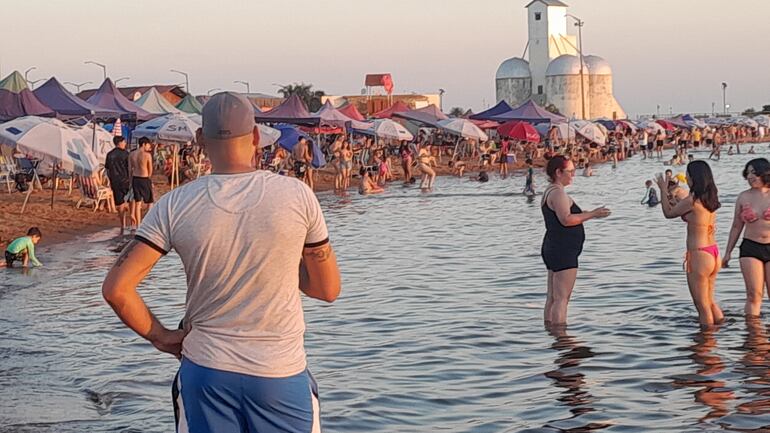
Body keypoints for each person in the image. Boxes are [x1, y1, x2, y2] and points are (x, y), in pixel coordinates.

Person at [102, 92, 341, 433]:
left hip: (206, 370)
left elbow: (116, 289)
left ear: (200, 140)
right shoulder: (297, 195)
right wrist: (278, 258)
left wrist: (161, 336)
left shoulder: (174, 204)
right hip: (279, 371)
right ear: (257, 137)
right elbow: (327, 289)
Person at [541, 156, 611, 325]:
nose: (573, 175)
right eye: (570, 171)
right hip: (562, 249)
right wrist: (593, 214)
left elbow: (568, 215)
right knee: (561, 298)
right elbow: (566, 219)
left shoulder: (552, 191)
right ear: (558, 172)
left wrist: (588, 213)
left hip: (555, 246)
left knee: (553, 296)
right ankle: (560, 335)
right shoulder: (557, 193)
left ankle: (551, 331)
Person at [656, 160, 724, 329]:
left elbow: (668, 213)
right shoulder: (709, 199)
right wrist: (671, 196)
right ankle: (722, 330)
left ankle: (705, 345)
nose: (685, 177)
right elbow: (679, 209)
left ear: (694, 177)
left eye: (687, 174)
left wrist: (663, 190)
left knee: (702, 306)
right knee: (710, 301)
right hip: (713, 253)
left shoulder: (692, 200)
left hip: (699, 255)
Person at [723, 158, 770, 317]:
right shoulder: (743, 197)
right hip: (751, 247)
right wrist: (728, 252)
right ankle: (753, 334)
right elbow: (736, 226)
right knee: (754, 294)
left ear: (764, 174)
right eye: (748, 172)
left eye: (754, 173)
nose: (750, 177)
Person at [104, 136, 132, 236]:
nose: (125, 144)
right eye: (124, 142)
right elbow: (129, 168)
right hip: (126, 180)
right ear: (120, 142)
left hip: (115, 181)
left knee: (119, 203)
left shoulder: (109, 154)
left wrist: (110, 180)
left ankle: (122, 224)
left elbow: (107, 169)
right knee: (129, 201)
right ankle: (132, 222)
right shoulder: (126, 154)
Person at [129, 137, 154, 230]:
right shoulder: (147, 155)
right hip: (144, 178)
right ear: (144, 144)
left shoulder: (132, 154)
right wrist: (149, 179)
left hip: (135, 178)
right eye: (148, 145)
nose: (149, 146)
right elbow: (150, 169)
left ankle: (138, 225)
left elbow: (129, 170)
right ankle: (148, 222)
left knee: (137, 202)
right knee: (150, 202)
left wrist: (130, 181)